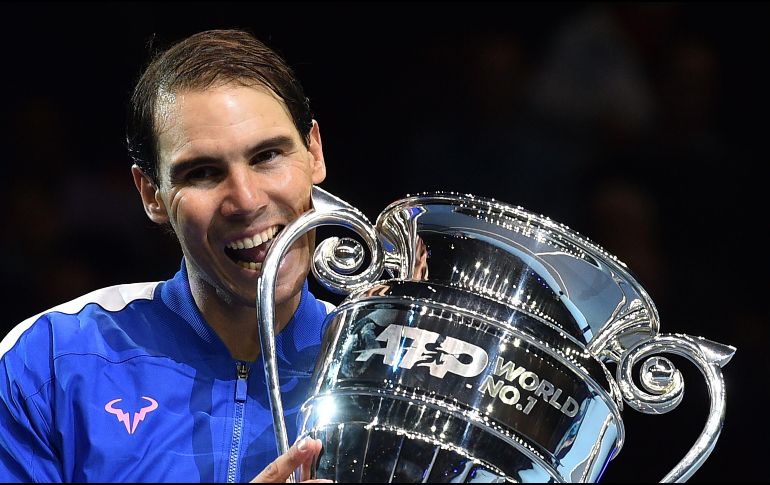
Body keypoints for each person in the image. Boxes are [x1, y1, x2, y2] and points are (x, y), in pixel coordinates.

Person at [0, 29, 334, 482]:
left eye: (267, 155)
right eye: (202, 172)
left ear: (313, 151)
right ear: (151, 193)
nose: (247, 199)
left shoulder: (391, 369)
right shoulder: (50, 361)